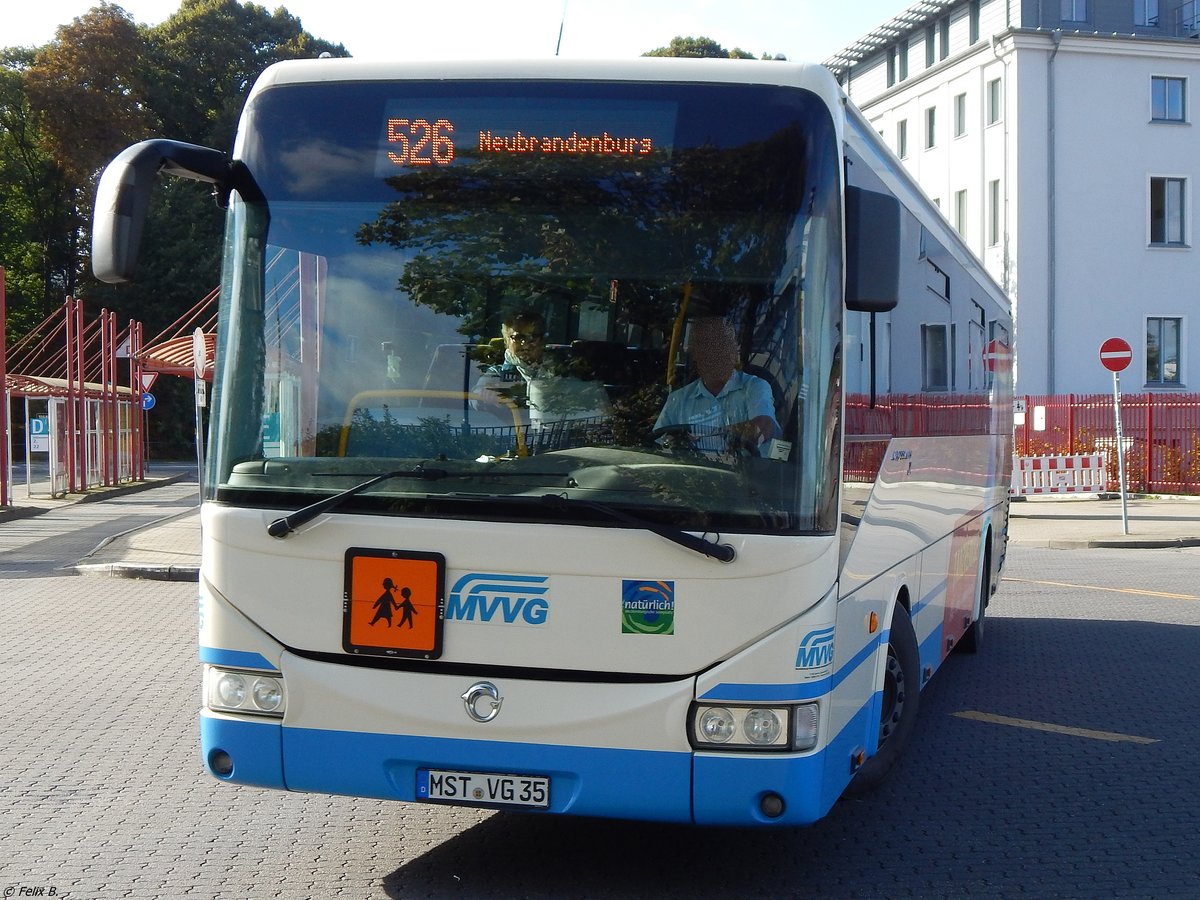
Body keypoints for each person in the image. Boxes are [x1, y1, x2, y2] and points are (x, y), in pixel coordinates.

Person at [654, 316, 779, 459]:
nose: (714, 355)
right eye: (706, 347)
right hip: (691, 476)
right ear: (695, 354)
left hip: (747, 477)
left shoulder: (755, 387)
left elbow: (764, 426)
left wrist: (706, 436)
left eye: (721, 346)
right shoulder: (677, 400)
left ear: (733, 352)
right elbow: (657, 448)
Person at [473, 308, 611, 434]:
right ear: (506, 342)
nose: (525, 344)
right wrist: (484, 395)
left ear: (543, 340)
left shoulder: (564, 369)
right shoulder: (498, 373)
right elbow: (475, 396)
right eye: (518, 337)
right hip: (517, 443)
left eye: (532, 337)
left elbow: (597, 408)